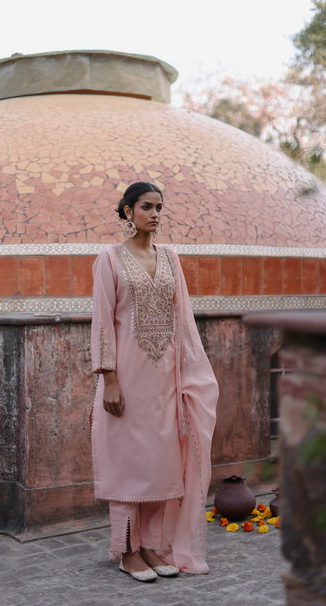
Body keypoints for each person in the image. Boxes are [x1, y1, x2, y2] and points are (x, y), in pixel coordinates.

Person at [91, 181, 219, 582]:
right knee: (129, 464)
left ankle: (151, 546)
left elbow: (184, 323)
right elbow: (103, 323)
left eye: (159, 207)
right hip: (127, 380)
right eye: (146, 207)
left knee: (161, 465)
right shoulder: (109, 258)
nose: (156, 214)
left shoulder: (170, 257)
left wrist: (189, 379)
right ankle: (128, 551)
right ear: (128, 211)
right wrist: (109, 380)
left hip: (165, 381)